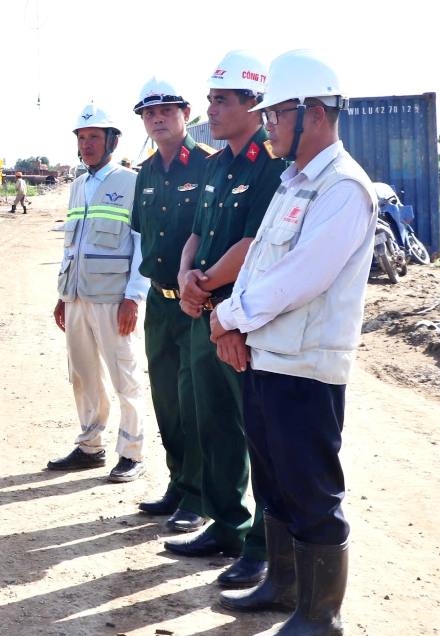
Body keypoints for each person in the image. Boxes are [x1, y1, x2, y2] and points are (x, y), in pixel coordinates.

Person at [214, 50, 374, 636]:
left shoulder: (344, 189)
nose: (269, 123)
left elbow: (299, 277)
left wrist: (227, 315)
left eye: (277, 113)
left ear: (313, 113)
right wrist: (231, 325)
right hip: (268, 358)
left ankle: (320, 619)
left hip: (307, 369)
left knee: (311, 492)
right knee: (274, 483)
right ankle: (281, 587)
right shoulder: (292, 183)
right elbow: (259, 262)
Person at [165, 51, 285, 590]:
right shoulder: (215, 163)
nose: (209, 109)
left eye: (220, 99)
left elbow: (254, 243)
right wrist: (188, 276)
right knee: (210, 423)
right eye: (210, 98)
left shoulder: (272, 165)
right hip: (205, 310)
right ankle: (227, 525)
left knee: (256, 431)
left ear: (252, 103)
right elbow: (197, 231)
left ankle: (262, 546)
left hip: (245, 318)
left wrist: (204, 282)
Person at [47, 103, 148, 483]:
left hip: (113, 298)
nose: (87, 144)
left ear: (112, 140)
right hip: (76, 298)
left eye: (94, 137)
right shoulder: (77, 185)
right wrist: (62, 294)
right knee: (83, 375)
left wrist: (133, 297)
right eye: (82, 138)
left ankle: (132, 452)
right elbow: (72, 246)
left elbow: (141, 244)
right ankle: (90, 446)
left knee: (125, 375)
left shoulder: (130, 182)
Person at [129, 78, 214, 533]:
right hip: (158, 304)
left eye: (166, 110)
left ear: (185, 113)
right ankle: (178, 483)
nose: (157, 118)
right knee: (165, 400)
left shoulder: (207, 166)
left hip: (195, 304)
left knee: (194, 400)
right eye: (149, 113)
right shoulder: (145, 172)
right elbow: (144, 233)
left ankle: (200, 496)